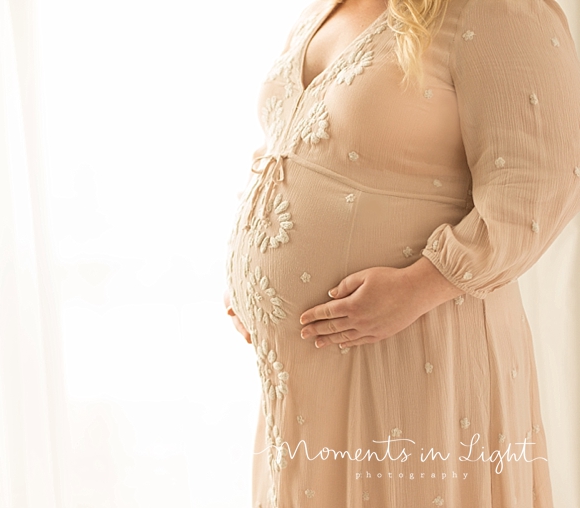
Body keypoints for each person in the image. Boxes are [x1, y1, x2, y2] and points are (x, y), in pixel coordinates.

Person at [223, 0, 580, 505]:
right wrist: (250, 272)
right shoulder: (328, 7)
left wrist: (421, 285)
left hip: (416, 346)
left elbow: (541, 181)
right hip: (304, 376)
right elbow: (289, 145)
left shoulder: (496, 10)